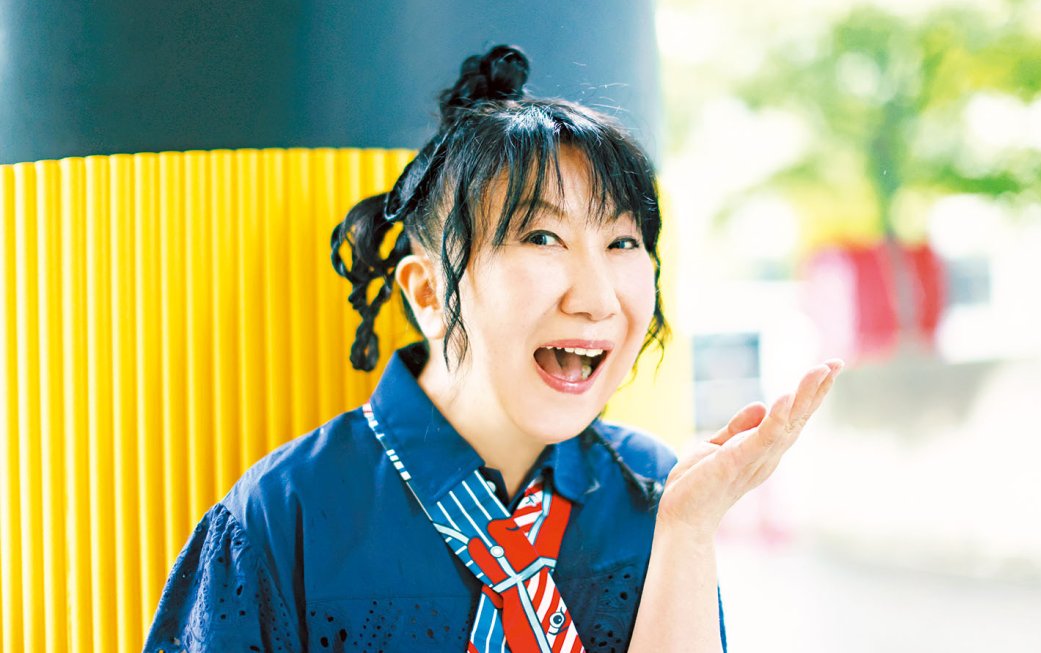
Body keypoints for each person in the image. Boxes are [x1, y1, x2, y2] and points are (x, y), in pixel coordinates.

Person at [143, 44, 841, 653]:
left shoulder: (656, 492)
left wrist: (687, 530)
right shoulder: (282, 515)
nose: (598, 298)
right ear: (428, 293)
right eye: (542, 237)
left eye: (623, 241)